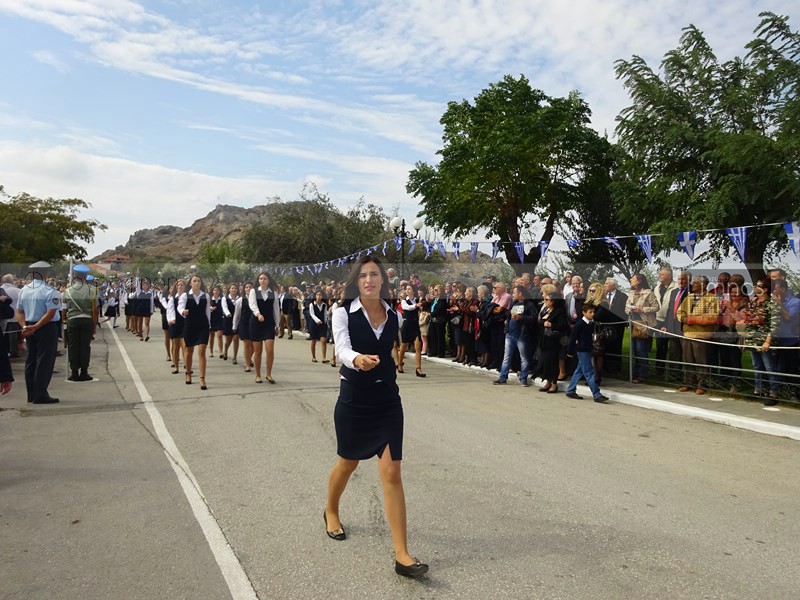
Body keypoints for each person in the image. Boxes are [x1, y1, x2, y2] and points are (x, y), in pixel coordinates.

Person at [325, 255, 428, 578]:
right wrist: (357, 359)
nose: (368, 280)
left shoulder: (393, 315)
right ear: (356, 281)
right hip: (354, 401)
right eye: (363, 275)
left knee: (392, 472)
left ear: (383, 280)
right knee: (348, 463)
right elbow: (341, 348)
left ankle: (402, 555)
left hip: (387, 402)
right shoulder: (342, 312)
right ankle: (331, 509)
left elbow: (390, 351)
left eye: (374, 275)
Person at [16, 264, 61, 403]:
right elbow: (51, 313)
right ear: (46, 274)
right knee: (44, 361)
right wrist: (36, 326)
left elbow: (19, 311)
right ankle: (40, 394)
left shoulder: (24, 290)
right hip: (45, 327)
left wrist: (24, 326)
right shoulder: (50, 291)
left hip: (29, 326)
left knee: (31, 360)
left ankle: (31, 394)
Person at [739, 277, 781, 405]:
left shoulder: (772, 304)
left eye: (758, 285)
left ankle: (773, 392)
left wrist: (768, 341)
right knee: (757, 366)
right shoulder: (753, 302)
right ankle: (758, 390)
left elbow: (774, 325)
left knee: (770, 367)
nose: (754, 287)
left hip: (764, 341)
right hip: (753, 340)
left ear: (765, 289)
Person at [676, 275, 719, 395]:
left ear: (703, 286)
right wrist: (683, 318)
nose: (692, 285)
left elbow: (712, 317)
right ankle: (689, 382)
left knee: (701, 361)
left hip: (701, 335)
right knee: (688, 360)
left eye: (695, 283)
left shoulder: (711, 298)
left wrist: (692, 320)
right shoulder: (689, 297)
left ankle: (702, 384)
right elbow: (680, 311)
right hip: (687, 333)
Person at [493, 285, 536, 386]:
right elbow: (509, 317)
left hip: (522, 335)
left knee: (524, 358)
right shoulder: (514, 303)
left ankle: (523, 378)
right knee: (507, 357)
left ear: (520, 293)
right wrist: (507, 328)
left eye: (514, 292)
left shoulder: (529, 304)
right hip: (510, 334)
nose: (513, 295)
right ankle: (503, 377)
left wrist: (521, 318)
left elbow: (534, 318)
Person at [565, 302, 609, 403]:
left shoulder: (591, 323)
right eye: (590, 312)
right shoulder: (580, 324)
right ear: (584, 313)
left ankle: (570, 390)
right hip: (582, 350)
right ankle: (597, 394)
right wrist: (570, 351)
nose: (592, 314)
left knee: (579, 371)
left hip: (588, 349)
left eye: (593, 312)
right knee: (589, 372)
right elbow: (573, 338)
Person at [62, 264, 97, 382]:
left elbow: (64, 309)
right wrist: (94, 325)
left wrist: (64, 321)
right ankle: (84, 372)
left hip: (72, 320)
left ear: (74, 276)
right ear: (86, 276)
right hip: (87, 320)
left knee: (73, 346)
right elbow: (95, 310)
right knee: (85, 347)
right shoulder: (92, 290)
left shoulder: (67, 291)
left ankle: (74, 372)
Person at [626, 273, 659, 383]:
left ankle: (643, 374)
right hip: (633, 323)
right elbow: (626, 307)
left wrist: (643, 310)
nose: (631, 280)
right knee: (634, 350)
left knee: (641, 350)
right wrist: (629, 310)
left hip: (644, 324)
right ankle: (634, 373)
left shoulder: (648, 293)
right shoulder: (631, 293)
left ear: (639, 281)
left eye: (633, 279)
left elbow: (656, 307)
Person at [179, 275, 210, 390]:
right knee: (189, 350)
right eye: (194, 281)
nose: (197, 283)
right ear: (190, 283)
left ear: (201, 283)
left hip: (203, 326)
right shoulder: (185, 296)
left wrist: (209, 325)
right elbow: (180, 307)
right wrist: (183, 311)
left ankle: (202, 378)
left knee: (202, 350)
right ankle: (188, 373)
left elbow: (207, 312)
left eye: (198, 281)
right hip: (190, 326)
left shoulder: (206, 296)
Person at [249, 272, 280, 384]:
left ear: (268, 280)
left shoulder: (274, 293)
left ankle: (269, 374)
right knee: (258, 351)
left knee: (270, 350)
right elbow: (252, 305)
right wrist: (258, 314)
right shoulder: (253, 291)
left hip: (269, 323)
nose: (262, 280)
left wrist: (277, 325)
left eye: (265, 278)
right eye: (261, 279)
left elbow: (276, 309)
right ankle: (258, 375)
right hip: (256, 323)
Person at [536, 289, 568, 393]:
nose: (545, 301)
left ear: (553, 301)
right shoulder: (546, 310)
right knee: (545, 362)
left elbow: (563, 325)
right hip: (544, 339)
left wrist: (552, 324)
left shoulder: (559, 312)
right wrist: (543, 323)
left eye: (547, 300)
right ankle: (547, 381)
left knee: (552, 362)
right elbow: (540, 321)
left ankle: (554, 383)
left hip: (553, 340)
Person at [602, 278, 628, 375]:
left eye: (607, 284)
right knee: (605, 346)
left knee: (616, 346)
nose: (605, 285)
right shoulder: (603, 296)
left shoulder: (622, 296)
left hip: (617, 326)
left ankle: (616, 368)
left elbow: (624, 312)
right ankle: (605, 367)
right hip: (605, 325)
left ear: (613, 285)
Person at [399, 284, 426, 377]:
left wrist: (422, 305)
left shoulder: (417, 300)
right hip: (407, 325)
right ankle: (400, 363)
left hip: (415, 325)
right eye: (406, 289)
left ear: (413, 291)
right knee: (404, 346)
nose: (407, 290)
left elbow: (422, 307)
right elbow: (406, 307)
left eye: (409, 289)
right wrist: (416, 305)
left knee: (418, 346)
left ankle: (418, 368)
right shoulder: (404, 301)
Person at [166, 279, 186, 375]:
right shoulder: (173, 299)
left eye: (182, 285)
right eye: (178, 285)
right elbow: (169, 311)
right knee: (176, 346)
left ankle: (187, 365)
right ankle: (176, 366)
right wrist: (170, 320)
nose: (180, 287)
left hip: (185, 323)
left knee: (185, 345)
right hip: (175, 323)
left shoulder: (188, 298)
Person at [233, 282, 254, 371]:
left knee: (254, 346)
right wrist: (234, 326)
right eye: (246, 287)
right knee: (247, 344)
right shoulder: (240, 300)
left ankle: (249, 358)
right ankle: (247, 364)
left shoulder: (257, 299)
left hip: (254, 324)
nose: (248, 289)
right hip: (244, 324)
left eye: (250, 287)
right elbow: (236, 314)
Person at [308, 290, 329, 363]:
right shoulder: (312, 305)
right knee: (314, 340)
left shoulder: (324, 305)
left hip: (322, 324)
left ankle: (324, 357)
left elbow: (325, 314)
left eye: (320, 295)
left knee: (323, 340)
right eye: (317, 295)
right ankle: (313, 357)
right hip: (314, 324)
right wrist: (317, 320)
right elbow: (312, 314)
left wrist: (326, 322)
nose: (319, 296)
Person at [220, 283, 239, 363]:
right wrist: (228, 313)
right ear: (229, 290)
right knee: (228, 339)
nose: (233, 290)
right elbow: (224, 307)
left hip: (237, 320)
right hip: (228, 320)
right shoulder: (225, 298)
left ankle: (235, 357)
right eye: (232, 288)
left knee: (236, 339)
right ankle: (225, 350)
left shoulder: (239, 299)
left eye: (235, 288)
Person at [208, 285, 224, 357]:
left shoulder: (222, 299)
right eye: (214, 290)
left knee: (220, 335)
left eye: (217, 290)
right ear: (212, 291)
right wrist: (211, 309)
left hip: (219, 319)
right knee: (211, 336)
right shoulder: (209, 299)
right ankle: (211, 351)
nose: (216, 292)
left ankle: (221, 351)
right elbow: (206, 308)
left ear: (219, 291)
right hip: (212, 319)